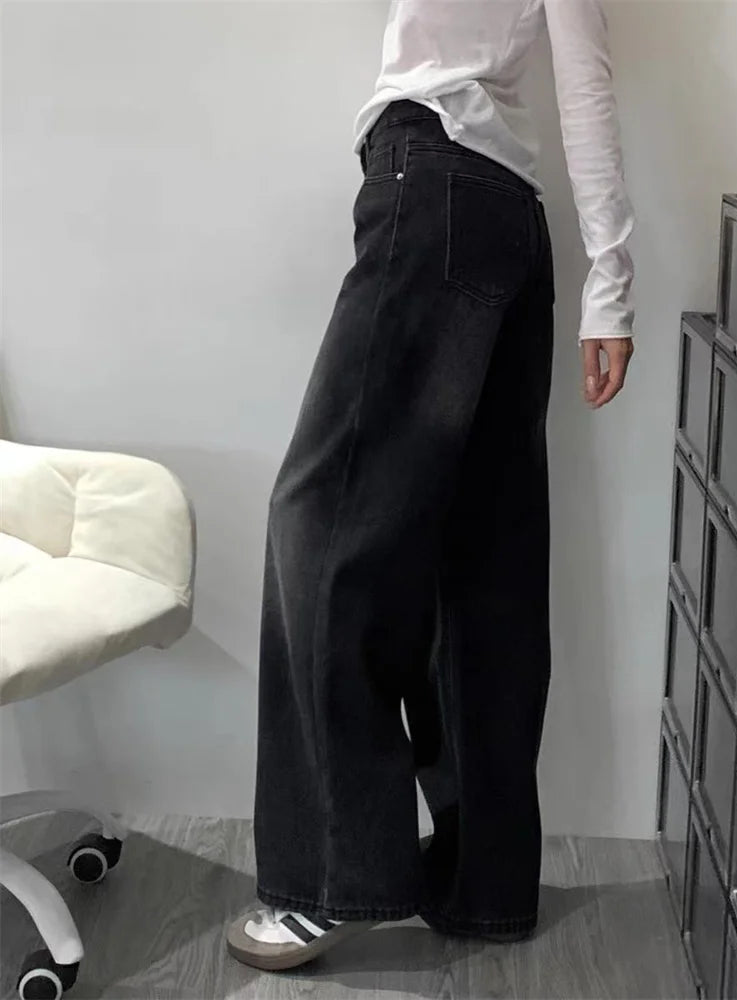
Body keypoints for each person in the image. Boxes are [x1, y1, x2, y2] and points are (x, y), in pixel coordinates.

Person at [227, 0, 636, 973]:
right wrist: (606, 280)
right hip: (504, 219)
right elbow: (583, 64)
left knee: (324, 524)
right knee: (482, 568)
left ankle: (333, 876)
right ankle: (484, 884)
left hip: (435, 180)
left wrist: (613, 283)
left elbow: (583, 70)